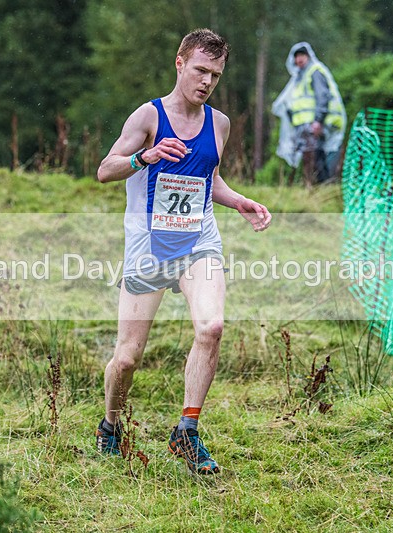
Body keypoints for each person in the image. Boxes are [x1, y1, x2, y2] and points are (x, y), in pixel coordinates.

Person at [95, 28, 272, 475]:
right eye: (200, 70)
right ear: (180, 64)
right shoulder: (148, 117)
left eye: (215, 74)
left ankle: (186, 432)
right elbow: (105, 169)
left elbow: (206, 179)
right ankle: (110, 424)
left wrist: (239, 201)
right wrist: (147, 157)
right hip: (148, 249)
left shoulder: (220, 124)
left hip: (198, 242)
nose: (207, 81)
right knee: (128, 357)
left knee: (211, 327)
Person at [272, 42, 346, 187]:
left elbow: (322, 96)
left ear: (308, 56)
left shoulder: (314, 72)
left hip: (314, 124)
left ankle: (321, 187)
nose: (299, 60)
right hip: (305, 126)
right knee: (310, 157)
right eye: (296, 57)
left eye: (301, 56)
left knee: (315, 157)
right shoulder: (300, 77)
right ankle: (315, 187)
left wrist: (318, 120)